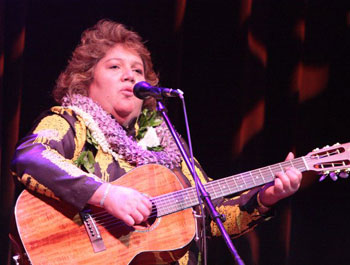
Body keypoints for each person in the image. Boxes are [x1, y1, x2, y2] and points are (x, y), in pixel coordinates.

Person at [11, 19, 302, 265]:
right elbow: (30, 157)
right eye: (114, 67)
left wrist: (265, 199)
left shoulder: (169, 146)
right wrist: (106, 195)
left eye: (137, 70)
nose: (129, 76)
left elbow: (213, 216)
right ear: (86, 80)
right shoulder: (71, 122)